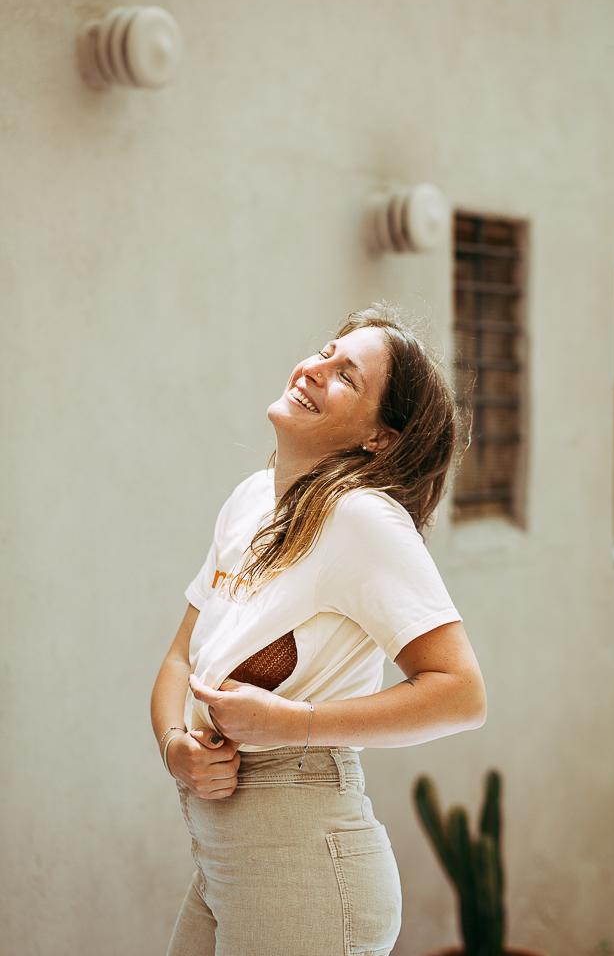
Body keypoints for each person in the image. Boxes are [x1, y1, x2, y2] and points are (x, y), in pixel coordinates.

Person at [150, 300, 487, 956]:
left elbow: (460, 692)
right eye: (325, 353)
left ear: (379, 439)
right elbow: (177, 661)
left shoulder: (360, 517)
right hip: (225, 860)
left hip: (301, 864)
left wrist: (293, 723)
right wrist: (174, 748)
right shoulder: (251, 500)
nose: (313, 368)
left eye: (346, 376)